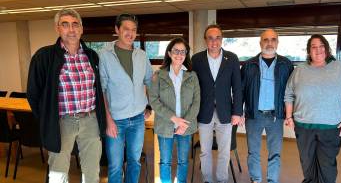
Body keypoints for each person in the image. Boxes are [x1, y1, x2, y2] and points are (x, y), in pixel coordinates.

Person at [27, 8, 106, 183]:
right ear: (57, 29)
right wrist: (47, 120)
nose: (71, 29)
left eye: (75, 24)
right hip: (61, 122)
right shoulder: (44, 56)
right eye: (65, 25)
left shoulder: (92, 56)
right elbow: (33, 94)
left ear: (81, 29)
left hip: (90, 120)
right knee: (58, 172)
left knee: (92, 170)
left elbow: (99, 89)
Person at [284, 34, 341, 183]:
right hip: (303, 127)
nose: (318, 50)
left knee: (327, 169)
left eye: (321, 46)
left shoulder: (339, 68)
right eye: (314, 47)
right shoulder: (300, 70)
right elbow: (288, 93)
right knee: (307, 166)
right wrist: (289, 117)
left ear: (326, 48)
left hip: (331, 128)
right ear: (308, 51)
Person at [98, 13, 153, 183]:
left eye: (134, 30)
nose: (130, 33)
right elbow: (101, 91)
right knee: (115, 166)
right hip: (116, 120)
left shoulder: (142, 55)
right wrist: (108, 121)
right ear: (117, 30)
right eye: (126, 29)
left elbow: (149, 82)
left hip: (137, 119)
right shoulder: (104, 55)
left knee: (134, 162)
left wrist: (149, 105)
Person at [241, 29, 293, 183]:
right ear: (260, 42)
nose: (269, 43)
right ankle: (256, 180)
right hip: (253, 115)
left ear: (277, 42)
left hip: (275, 116)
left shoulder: (286, 64)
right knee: (253, 152)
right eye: (266, 40)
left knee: (275, 153)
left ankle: (272, 180)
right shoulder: (249, 65)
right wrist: (239, 112)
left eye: (273, 39)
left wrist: (290, 115)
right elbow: (241, 91)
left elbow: (292, 91)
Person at [192, 24, 242, 183]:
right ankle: (207, 180)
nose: (214, 42)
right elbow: (192, 86)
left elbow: (237, 87)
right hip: (203, 111)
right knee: (205, 151)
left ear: (222, 39)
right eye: (210, 38)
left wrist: (237, 112)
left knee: (224, 152)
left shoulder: (232, 58)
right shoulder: (197, 59)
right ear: (205, 40)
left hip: (225, 112)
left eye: (217, 38)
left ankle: (222, 180)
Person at [149, 37, 200, 183]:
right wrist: (173, 118)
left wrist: (184, 123)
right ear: (170, 53)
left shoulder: (192, 76)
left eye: (183, 51)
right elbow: (154, 100)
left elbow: (196, 102)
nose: (179, 54)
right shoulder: (159, 75)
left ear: (186, 54)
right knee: (165, 161)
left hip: (186, 126)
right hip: (165, 125)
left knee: (183, 161)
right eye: (176, 51)